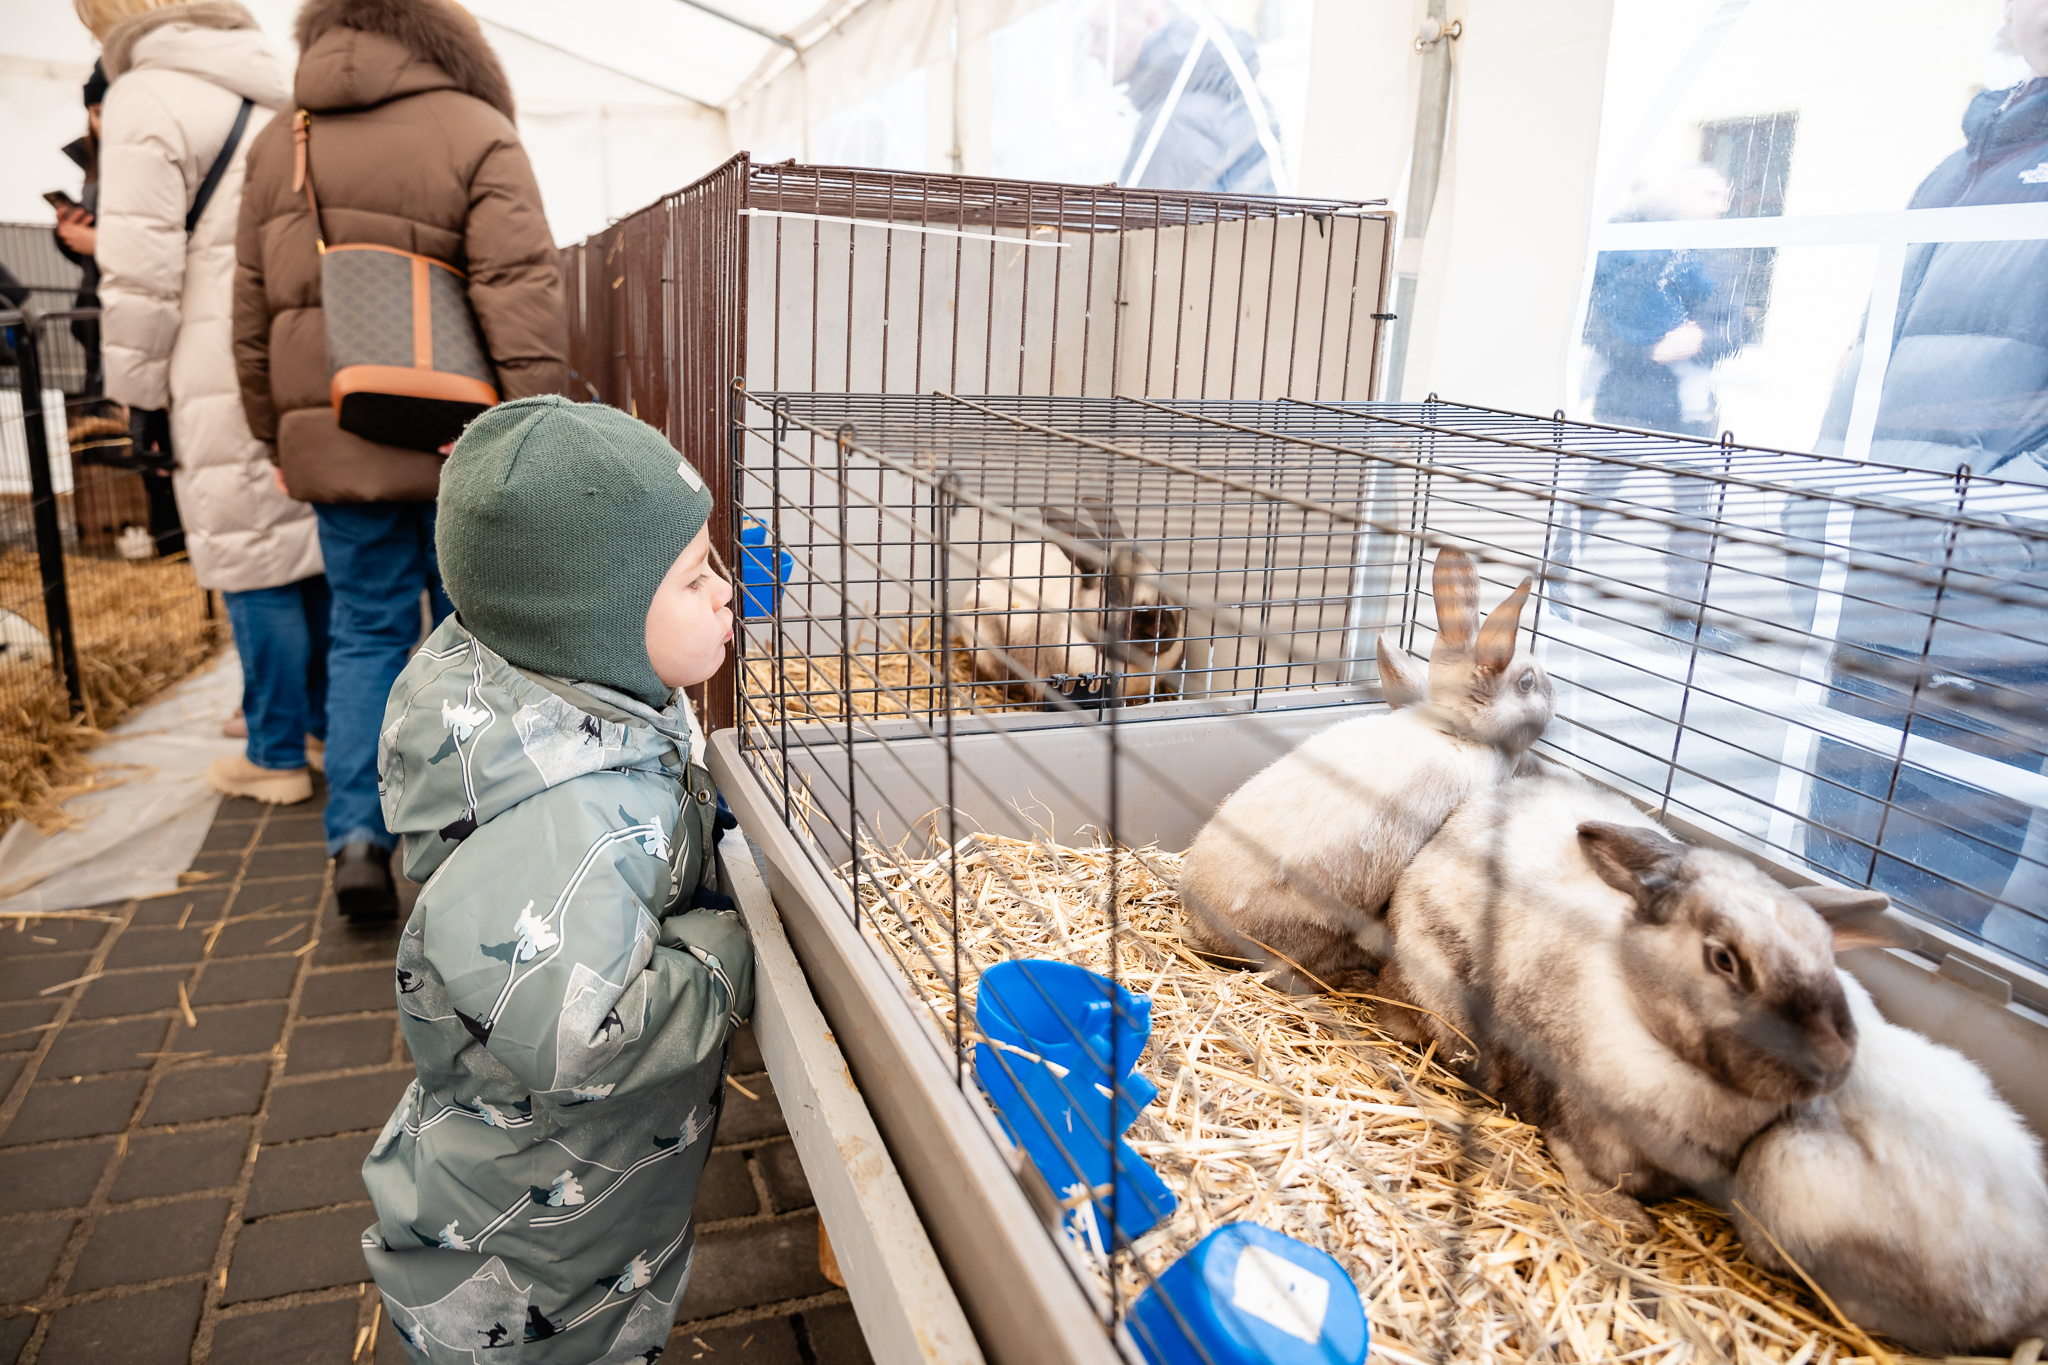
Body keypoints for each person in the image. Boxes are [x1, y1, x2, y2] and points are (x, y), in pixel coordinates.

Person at [361, 396, 752, 1363]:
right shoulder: (574, 813)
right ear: (599, 619)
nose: (728, 590)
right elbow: (583, 1034)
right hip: (539, 1251)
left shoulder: (569, 705)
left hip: (575, 1200)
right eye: (696, 574)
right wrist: (724, 949)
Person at [233, 0, 568, 919]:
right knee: (478, 632)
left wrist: (274, 434)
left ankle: (359, 840)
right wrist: (534, 423)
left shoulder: (280, 140)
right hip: (459, 436)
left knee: (365, 630)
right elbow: (519, 287)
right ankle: (485, 829)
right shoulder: (475, 128)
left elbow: (252, 310)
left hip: (335, 438)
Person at [1802, 0, 2048, 965]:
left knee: (1924, 925)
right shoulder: (1963, 162)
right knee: (1829, 883)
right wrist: (1819, 502)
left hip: (1990, 612)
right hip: (1875, 591)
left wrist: (1986, 529)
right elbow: (1872, 356)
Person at [85, 0, 329, 806]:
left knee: (248, 553)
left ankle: (273, 752)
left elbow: (138, 271)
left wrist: (138, 395)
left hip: (212, 352)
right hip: (308, 344)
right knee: (311, 544)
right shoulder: (287, 84)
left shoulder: (144, 98)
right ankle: (329, 730)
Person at [1108, 0, 1280, 194]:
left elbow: (1153, 221)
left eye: (1103, 31)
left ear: (1150, 19)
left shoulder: (1174, 122)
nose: (1092, 49)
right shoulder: (1220, 94)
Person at [53, 60, 107, 400]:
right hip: (94, 306)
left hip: (124, 311)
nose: (104, 124)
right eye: (97, 113)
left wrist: (101, 243)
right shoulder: (93, 163)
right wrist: (68, 235)